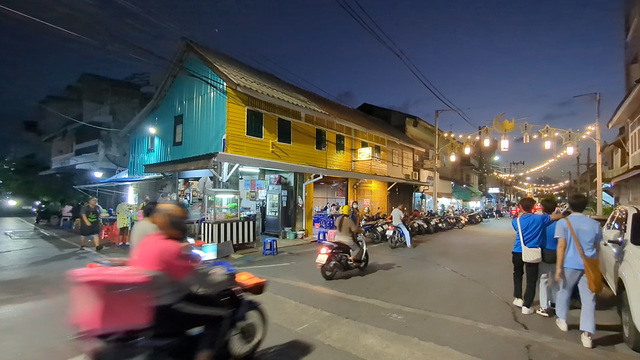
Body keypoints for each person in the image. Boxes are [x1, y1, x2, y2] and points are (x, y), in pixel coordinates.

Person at [128, 202, 223, 360]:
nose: (183, 226)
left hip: (145, 308)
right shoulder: (171, 248)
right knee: (221, 313)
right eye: (180, 221)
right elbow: (197, 282)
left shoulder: (147, 242)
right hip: (169, 307)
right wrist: (225, 278)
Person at [554, 194, 602, 349]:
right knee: (589, 299)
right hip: (588, 265)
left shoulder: (563, 222)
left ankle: (562, 320)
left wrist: (558, 267)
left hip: (569, 264)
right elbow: (597, 247)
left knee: (564, 291)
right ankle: (587, 334)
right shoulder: (594, 224)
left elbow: (561, 246)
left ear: (569, 206)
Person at [511, 198, 563, 314]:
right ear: (534, 207)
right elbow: (555, 217)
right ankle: (527, 306)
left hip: (518, 251)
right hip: (533, 252)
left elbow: (516, 229)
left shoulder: (516, 221)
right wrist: (564, 214)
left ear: (520, 206)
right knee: (531, 280)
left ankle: (518, 298)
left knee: (518, 274)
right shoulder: (539, 219)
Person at [536, 198, 560, 317]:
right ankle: (554, 302)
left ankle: (544, 306)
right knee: (556, 279)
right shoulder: (561, 221)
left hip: (544, 252)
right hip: (558, 253)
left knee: (543, 279)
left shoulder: (541, 220)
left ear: (543, 208)